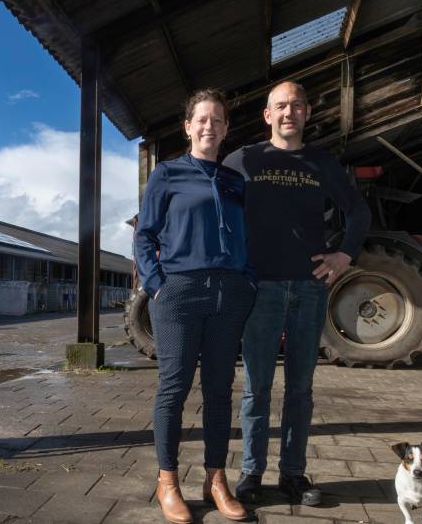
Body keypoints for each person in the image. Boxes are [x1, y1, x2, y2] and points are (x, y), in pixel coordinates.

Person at [223, 80, 371, 506]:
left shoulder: (323, 163)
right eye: (280, 107)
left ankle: (293, 474)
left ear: (307, 114)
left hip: (308, 289)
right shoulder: (243, 160)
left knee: (300, 388)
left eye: (297, 106)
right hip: (261, 288)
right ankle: (251, 473)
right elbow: (217, 209)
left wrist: (344, 255)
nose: (289, 113)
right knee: (257, 387)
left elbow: (358, 212)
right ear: (267, 115)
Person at [134, 88, 256, 523]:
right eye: (201, 119)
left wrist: (248, 280)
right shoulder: (167, 174)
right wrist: (158, 286)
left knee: (220, 390)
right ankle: (167, 481)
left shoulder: (234, 181)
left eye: (217, 120)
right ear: (188, 126)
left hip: (229, 294)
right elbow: (144, 235)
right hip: (180, 293)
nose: (209, 126)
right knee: (174, 386)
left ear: (225, 129)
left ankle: (215, 479)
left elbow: (248, 238)